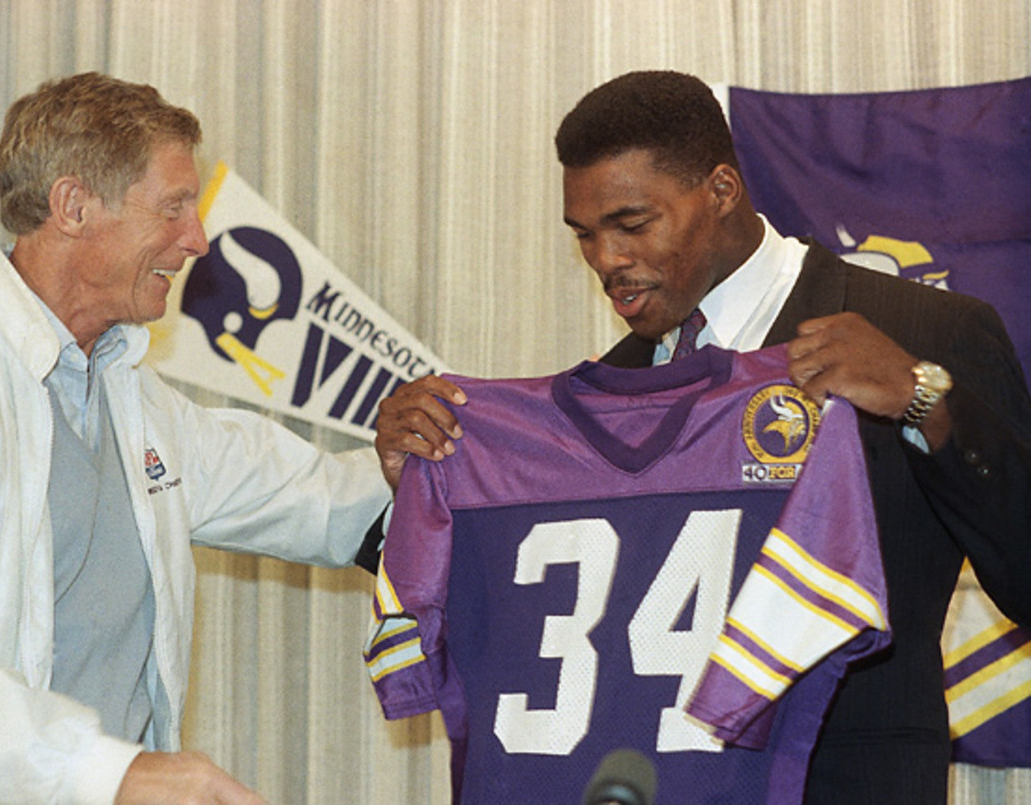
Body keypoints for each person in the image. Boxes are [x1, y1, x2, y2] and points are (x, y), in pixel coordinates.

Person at [374, 70, 1031, 803]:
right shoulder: (604, 393)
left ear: (721, 190)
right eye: (585, 235)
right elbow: (533, 609)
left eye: (632, 223)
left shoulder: (922, 331)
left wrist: (923, 400)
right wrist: (419, 486)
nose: (606, 261)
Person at [0, 73, 391, 804]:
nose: (196, 239)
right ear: (72, 206)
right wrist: (115, 773)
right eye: (173, 207)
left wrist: (426, 465)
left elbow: (303, 495)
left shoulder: (124, 383)